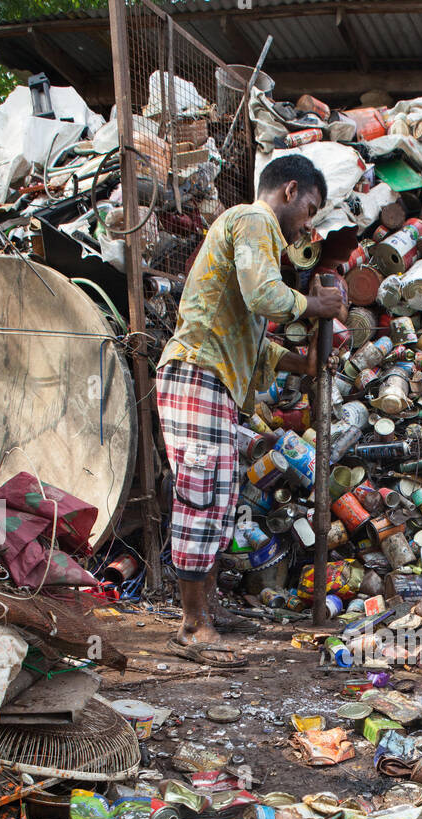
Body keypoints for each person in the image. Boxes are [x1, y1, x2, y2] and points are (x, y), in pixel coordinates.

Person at [156, 154, 343, 666]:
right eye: (310, 207)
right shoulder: (255, 219)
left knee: (216, 500)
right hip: (198, 375)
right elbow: (264, 295)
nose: (308, 222)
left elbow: (256, 345)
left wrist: (301, 362)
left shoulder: (250, 235)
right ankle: (192, 626)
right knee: (202, 496)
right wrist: (312, 307)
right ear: (289, 190)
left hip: (209, 379)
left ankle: (206, 610)